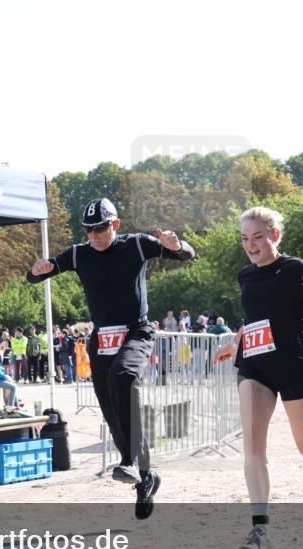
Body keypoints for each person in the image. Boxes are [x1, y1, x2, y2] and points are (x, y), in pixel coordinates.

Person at [27, 197, 195, 519]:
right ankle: (145, 477)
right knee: (113, 411)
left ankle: (129, 461)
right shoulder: (80, 253)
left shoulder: (137, 245)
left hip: (136, 331)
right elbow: (39, 273)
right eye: (89, 230)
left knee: (123, 377)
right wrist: (36, 271)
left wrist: (177, 245)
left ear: (115, 224)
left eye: (101, 228)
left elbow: (186, 254)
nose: (95, 235)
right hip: (102, 338)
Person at [213, 206, 303, 549]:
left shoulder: (296, 269)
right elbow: (257, 319)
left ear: (275, 235)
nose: (251, 245)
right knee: (253, 447)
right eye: (245, 238)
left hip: (293, 366)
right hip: (255, 367)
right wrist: (234, 342)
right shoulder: (245, 276)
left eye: (257, 237)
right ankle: (262, 531)